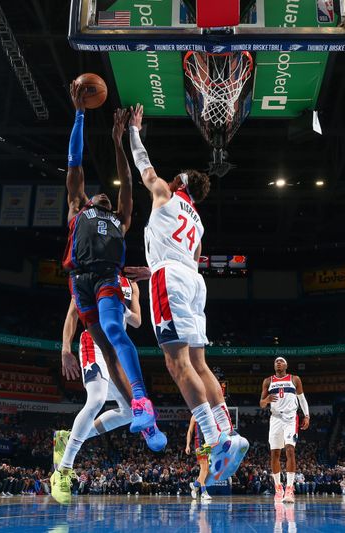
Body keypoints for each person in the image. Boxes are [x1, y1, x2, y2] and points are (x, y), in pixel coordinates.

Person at [124, 103, 248, 484]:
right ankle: (226, 430)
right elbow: (190, 261)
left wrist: (133, 131)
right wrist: (154, 269)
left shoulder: (165, 193)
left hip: (171, 280)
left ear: (179, 182)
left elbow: (143, 166)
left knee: (176, 365)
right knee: (200, 363)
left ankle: (214, 441)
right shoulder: (198, 221)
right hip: (193, 283)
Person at [62, 82, 159, 436]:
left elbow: (128, 183)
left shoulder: (121, 218)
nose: (103, 192)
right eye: (97, 192)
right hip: (80, 281)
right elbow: (74, 162)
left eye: (108, 193)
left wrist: (118, 143)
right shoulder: (78, 208)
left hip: (106, 278)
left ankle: (139, 400)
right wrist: (79, 115)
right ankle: (134, 405)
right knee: (106, 344)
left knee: (116, 330)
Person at [51, 270, 165, 504]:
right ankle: (63, 470)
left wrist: (123, 304)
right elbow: (72, 315)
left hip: (117, 350)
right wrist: (65, 348)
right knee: (96, 399)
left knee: (129, 410)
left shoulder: (130, 284)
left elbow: (137, 320)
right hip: (93, 342)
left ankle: (68, 438)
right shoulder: (90, 274)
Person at [259, 357, 310, 503]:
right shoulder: (268, 381)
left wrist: (306, 415)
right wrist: (266, 400)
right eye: (276, 361)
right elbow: (261, 403)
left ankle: (289, 489)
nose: (278, 363)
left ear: (286, 365)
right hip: (275, 419)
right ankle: (278, 487)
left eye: (281, 361)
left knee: (290, 450)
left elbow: (302, 399)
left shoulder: (294, 379)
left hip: (290, 418)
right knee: (275, 453)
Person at [185, 414, 212, 501]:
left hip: (207, 444)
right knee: (203, 468)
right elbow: (190, 431)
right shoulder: (195, 416)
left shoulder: (209, 414)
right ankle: (203, 492)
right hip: (199, 443)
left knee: (206, 470)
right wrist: (187, 445)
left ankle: (196, 484)